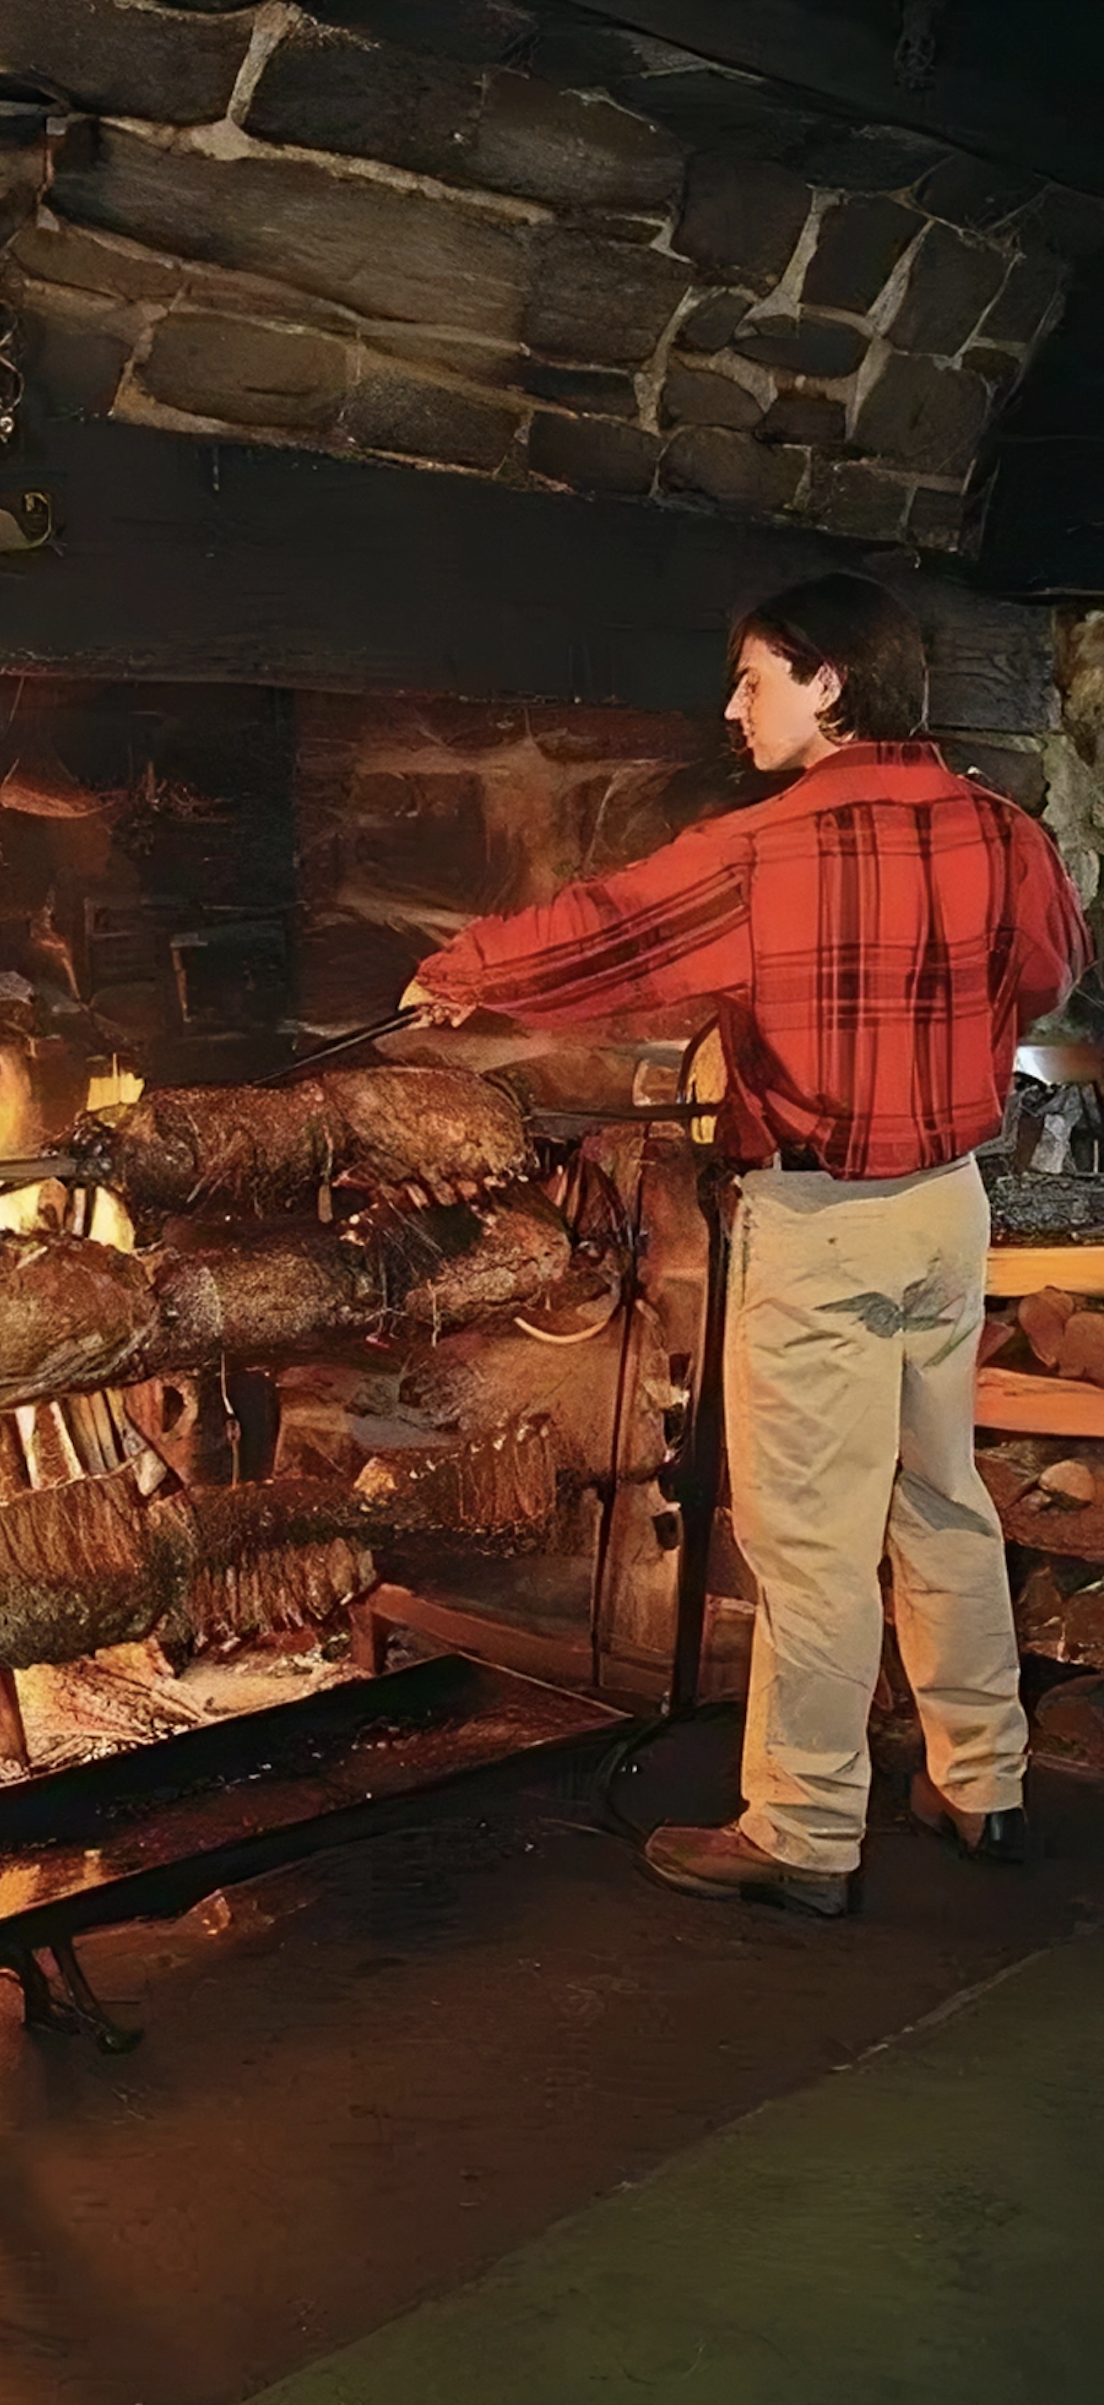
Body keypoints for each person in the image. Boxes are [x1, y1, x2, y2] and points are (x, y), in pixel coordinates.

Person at [402, 572, 1091, 1918]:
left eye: (753, 678)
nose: (732, 707)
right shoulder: (1001, 829)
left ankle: (802, 1827)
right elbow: (1050, 981)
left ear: (828, 685)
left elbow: (606, 931)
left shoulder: (764, 850)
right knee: (937, 1491)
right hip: (947, 1206)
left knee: (811, 1538)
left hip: (822, 1219)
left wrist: (457, 970)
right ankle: (979, 1778)